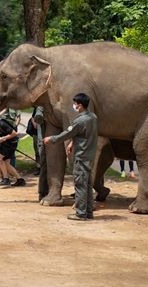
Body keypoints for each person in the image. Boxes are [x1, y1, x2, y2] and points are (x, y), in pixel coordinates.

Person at [43, 93, 98, 221]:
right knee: (88, 184)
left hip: (81, 156)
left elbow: (66, 134)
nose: (74, 106)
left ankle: (80, 213)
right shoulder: (93, 117)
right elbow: (83, 134)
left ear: (80, 105)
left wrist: (51, 139)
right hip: (90, 155)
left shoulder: (79, 121)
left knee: (80, 185)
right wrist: (73, 142)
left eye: (75, 103)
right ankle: (88, 211)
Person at [0, 116, 25, 187]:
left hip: (11, 143)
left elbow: (14, 133)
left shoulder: (1, 123)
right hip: (4, 144)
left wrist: (3, 138)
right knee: (6, 163)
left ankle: (6, 179)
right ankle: (20, 180)